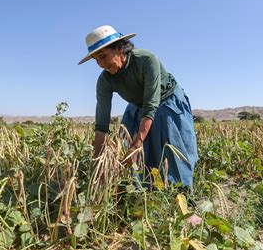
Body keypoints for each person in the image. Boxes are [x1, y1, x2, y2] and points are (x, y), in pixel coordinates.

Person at [78, 25, 198, 190]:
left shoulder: (146, 60)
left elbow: (151, 104)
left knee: (171, 151)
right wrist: (97, 161)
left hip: (166, 102)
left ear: (120, 49)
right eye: (96, 59)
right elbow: (101, 123)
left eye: (103, 56)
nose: (101, 64)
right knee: (129, 150)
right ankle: (142, 192)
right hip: (137, 106)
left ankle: (182, 197)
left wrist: (138, 142)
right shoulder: (105, 80)